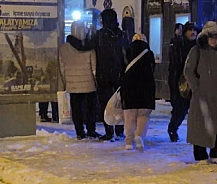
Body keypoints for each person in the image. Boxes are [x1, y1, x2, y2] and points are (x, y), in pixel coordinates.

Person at [184, 22, 217, 164]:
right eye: (211, 37)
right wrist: (196, 87)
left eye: (216, 37)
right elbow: (188, 71)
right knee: (201, 125)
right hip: (202, 96)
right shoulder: (196, 51)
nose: (213, 40)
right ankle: (200, 155)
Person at [60, 21, 99, 139]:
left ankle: (79, 131)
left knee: (76, 109)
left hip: (72, 86)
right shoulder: (89, 47)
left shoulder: (63, 48)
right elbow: (94, 68)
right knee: (90, 109)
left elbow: (62, 68)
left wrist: (66, 80)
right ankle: (91, 130)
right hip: (89, 85)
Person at [93, 9, 127, 141]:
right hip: (120, 76)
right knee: (120, 104)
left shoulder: (99, 36)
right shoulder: (122, 35)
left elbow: (91, 50)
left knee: (105, 104)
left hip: (104, 76)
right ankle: (119, 130)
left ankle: (109, 131)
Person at [121, 33, 156, 151]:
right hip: (146, 87)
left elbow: (122, 69)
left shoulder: (127, 51)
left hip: (129, 87)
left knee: (129, 116)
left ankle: (128, 142)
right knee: (143, 115)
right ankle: (139, 136)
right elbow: (152, 70)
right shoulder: (149, 53)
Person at [167, 22, 197, 142]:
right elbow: (175, 63)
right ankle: (173, 129)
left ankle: (195, 134)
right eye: (190, 30)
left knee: (195, 110)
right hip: (180, 80)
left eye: (194, 30)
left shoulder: (198, 46)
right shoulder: (179, 44)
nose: (193, 32)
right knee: (180, 109)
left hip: (195, 80)